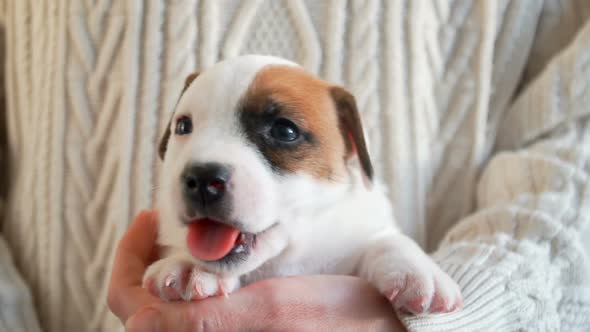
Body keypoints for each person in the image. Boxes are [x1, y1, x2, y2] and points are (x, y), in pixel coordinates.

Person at [1, 1, 590, 331]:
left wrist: (447, 305)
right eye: (185, 127)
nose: (205, 163)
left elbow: (573, 134)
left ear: (351, 149)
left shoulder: (356, 223)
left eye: (282, 131)